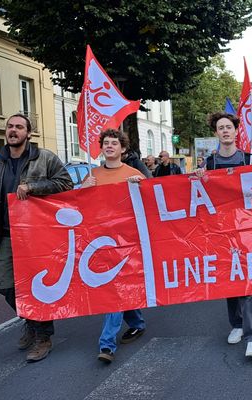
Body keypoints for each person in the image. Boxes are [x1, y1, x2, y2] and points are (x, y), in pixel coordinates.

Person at [0, 113, 73, 362]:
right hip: (7, 235)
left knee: (37, 285)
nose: (13, 130)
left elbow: (66, 183)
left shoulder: (44, 157)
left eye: (19, 127)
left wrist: (33, 188)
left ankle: (43, 336)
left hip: (36, 235)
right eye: (10, 126)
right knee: (5, 283)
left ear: (29, 133)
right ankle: (31, 319)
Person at [196, 112, 252, 358]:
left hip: (248, 227)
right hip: (222, 229)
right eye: (220, 128)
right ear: (216, 133)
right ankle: (236, 324)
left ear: (236, 131)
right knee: (229, 278)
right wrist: (199, 179)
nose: (225, 131)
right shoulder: (210, 163)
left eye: (229, 127)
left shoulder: (250, 159)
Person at [80, 129, 148, 364]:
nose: (109, 146)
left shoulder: (134, 173)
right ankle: (137, 323)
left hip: (127, 241)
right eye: (106, 143)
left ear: (123, 149)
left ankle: (107, 345)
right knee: (117, 288)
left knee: (114, 291)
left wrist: (140, 187)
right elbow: (79, 208)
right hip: (100, 242)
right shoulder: (92, 175)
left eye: (114, 143)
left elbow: (153, 202)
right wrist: (83, 190)